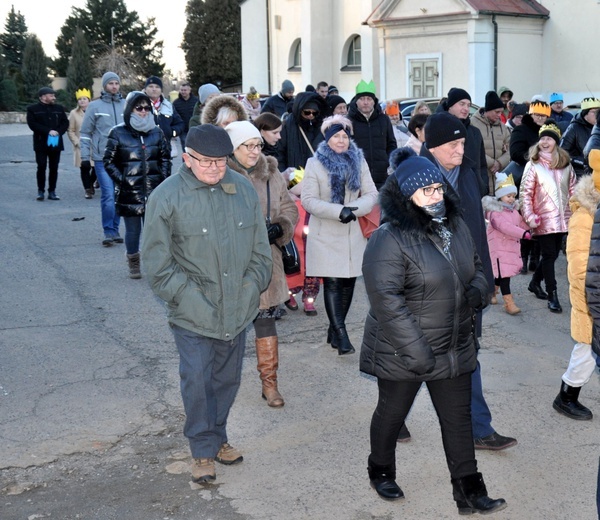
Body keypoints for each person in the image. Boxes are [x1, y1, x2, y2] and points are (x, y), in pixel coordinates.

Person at [360, 147, 507, 514]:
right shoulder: (389, 237)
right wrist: (418, 352)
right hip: (406, 348)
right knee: (392, 415)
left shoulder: (454, 225)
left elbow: (474, 266)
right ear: (405, 195)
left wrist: (477, 290)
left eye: (438, 189)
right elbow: (386, 301)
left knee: (457, 420)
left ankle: (469, 493)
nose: (436, 197)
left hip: (455, 342)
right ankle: (380, 470)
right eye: (426, 192)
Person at [141, 124, 273, 484]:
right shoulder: (167, 197)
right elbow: (156, 263)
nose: (215, 169)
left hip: (238, 306)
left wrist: (251, 289)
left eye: (220, 161)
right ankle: (202, 448)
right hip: (193, 313)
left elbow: (261, 251)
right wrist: (189, 299)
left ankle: (219, 436)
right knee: (198, 381)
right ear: (186, 158)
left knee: (226, 380)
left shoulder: (242, 188)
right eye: (206, 162)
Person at [421, 111, 517, 451]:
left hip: (469, 285)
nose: (461, 150)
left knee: (468, 355)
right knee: (417, 360)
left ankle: (479, 428)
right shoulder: (415, 179)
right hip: (432, 291)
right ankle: (392, 416)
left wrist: (485, 278)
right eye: (453, 144)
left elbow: (477, 231)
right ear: (432, 146)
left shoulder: (468, 176)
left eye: (463, 142)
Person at [225, 121, 298, 406]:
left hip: (267, 259)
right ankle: (222, 386)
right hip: (231, 260)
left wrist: (280, 227)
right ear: (234, 147)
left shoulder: (271, 171)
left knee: (265, 320)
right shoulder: (221, 174)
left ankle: (270, 384)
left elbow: (289, 207)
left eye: (258, 145)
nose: (256, 151)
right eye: (249, 146)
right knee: (229, 326)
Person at [301, 115, 378, 355]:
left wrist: (352, 211)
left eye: (345, 136)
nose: (341, 140)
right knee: (333, 283)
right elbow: (309, 200)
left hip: (352, 230)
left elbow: (371, 193)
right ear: (327, 138)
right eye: (336, 136)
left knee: (348, 282)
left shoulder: (359, 160)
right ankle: (341, 333)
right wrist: (338, 211)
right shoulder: (314, 163)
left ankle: (335, 329)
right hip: (325, 232)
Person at [552, 149, 600, 420]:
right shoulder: (585, 215)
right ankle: (566, 396)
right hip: (592, 295)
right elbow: (580, 263)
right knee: (587, 350)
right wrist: (589, 302)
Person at [104, 91, 171, 279]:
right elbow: (108, 161)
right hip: (130, 193)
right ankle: (133, 262)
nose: (143, 111)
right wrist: (124, 180)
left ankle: (156, 265)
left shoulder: (156, 132)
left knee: (155, 233)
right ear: (130, 109)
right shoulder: (118, 132)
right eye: (138, 107)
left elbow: (165, 158)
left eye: (146, 108)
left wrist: (163, 181)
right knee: (133, 231)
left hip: (154, 191)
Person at [276, 91, 327, 315]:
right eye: (306, 112)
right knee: (292, 246)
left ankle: (310, 295)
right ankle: (289, 292)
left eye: (315, 113)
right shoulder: (288, 127)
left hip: (316, 195)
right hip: (292, 195)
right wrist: (285, 183)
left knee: (314, 248)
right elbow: (280, 156)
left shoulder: (322, 130)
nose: (310, 116)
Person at [521, 120, 576, 313]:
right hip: (542, 218)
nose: (545, 142)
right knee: (550, 255)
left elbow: (573, 190)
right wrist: (529, 216)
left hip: (564, 218)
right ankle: (552, 294)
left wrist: (575, 211)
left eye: (549, 139)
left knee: (551, 255)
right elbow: (525, 194)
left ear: (556, 142)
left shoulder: (565, 164)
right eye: (542, 138)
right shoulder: (533, 165)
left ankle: (535, 283)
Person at [80, 71, 127, 246]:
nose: (114, 86)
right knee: (107, 194)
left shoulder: (126, 104)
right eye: (110, 83)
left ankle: (115, 230)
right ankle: (108, 231)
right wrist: (85, 156)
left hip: (123, 159)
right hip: (102, 159)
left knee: (118, 195)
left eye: (116, 83)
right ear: (105, 86)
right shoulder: (95, 106)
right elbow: (85, 132)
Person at [509, 100, 550, 272]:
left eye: (544, 115)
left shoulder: (547, 132)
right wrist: (536, 161)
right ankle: (523, 258)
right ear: (531, 114)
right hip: (526, 181)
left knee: (541, 221)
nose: (540, 118)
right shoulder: (521, 130)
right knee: (526, 221)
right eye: (537, 115)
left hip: (544, 182)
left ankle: (535, 257)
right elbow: (516, 153)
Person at [482, 172, 531, 314]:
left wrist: (531, 228)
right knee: (504, 276)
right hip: (498, 248)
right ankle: (509, 303)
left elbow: (520, 223)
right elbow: (505, 227)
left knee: (501, 273)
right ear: (500, 195)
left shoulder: (512, 212)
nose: (511, 199)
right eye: (508, 196)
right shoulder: (495, 213)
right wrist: (523, 234)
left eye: (513, 196)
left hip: (508, 247)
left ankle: (492, 293)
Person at [347, 79, 397, 190]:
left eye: (369, 99)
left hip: (382, 176)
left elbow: (391, 144)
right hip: (358, 177)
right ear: (356, 101)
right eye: (362, 99)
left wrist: (389, 162)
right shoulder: (348, 122)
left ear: (374, 101)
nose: (365, 102)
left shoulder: (384, 120)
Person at [438, 87, 488, 196]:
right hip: (447, 191)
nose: (466, 108)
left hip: (473, 192)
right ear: (451, 105)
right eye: (462, 104)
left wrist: (483, 187)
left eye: (468, 105)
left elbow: (482, 164)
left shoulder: (475, 133)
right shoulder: (438, 129)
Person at [26, 86, 69, 201]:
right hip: (41, 143)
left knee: (54, 167)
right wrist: (48, 131)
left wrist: (58, 132)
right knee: (41, 166)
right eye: (51, 95)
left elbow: (65, 123)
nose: (54, 97)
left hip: (55, 142)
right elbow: (32, 124)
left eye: (54, 95)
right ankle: (40, 191)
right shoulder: (32, 109)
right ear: (43, 97)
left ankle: (52, 191)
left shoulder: (59, 108)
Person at [470, 91, 511, 194]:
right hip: (481, 176)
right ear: (488, 110)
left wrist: (500, 163)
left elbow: (510, 149)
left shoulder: (502, 127)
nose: (499, 115)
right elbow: (472, 149)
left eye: (501, 112)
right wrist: (492, 163)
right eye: (496, 112)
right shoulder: (473, 124)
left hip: (499, 178)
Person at [67, 88, 97, 199]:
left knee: (96, 168)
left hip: (95, 144)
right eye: (80, 99)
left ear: (89, 100)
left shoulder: (94, 111)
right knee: (84, 166)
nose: (82, 101)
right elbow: (71, 130)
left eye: (84, 99)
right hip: (81, 144)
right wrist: (76, 142)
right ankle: (88, 189)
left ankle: (91, 183)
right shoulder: (74, 113)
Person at [143, 76, 184, 155]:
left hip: (165, 149)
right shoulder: (139, 104)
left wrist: (171, 132)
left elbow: (180, 124)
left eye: (157, 87)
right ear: (145, 89)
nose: (154, 89)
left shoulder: (168, 105)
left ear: (161, 90)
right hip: (145, 149)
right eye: (151, 86)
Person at [560, 97, 600, 178]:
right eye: (594, 112)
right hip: (580, 176)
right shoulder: (574, 128)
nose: (597, 115)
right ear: (585, 113)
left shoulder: (598, 128)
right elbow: (562, 152)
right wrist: (581, 161)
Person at [172, 81, 199, 151]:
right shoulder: (176, 103)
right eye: (182, 90)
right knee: (185, 146)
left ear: (189, 91)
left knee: (195, 146)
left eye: (185, 90)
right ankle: (186, 161)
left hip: (194, 127)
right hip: (183, 129)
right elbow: (174, 116)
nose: (183, 92)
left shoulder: (196, 101)